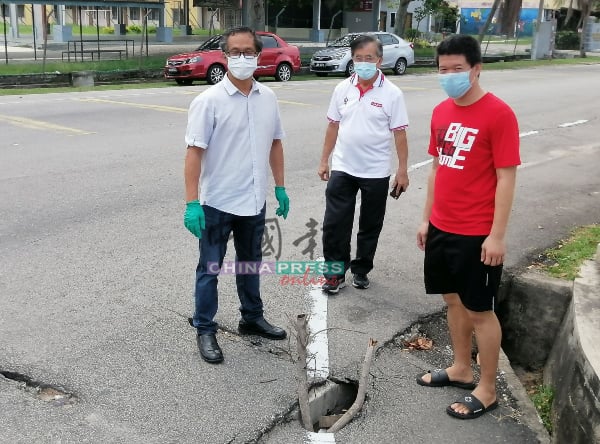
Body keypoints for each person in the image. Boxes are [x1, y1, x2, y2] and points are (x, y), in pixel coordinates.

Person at [415, 34, 520, 419]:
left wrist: (497, 235)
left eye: (457, 69)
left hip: (478, 233)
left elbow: (506, 178)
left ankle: (488, 387)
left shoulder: (498, 114)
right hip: (443, 226)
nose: (450, 76)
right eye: (443, 70)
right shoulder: (441, 112)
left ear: (476, 69)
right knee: (452, 299)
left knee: (480, 310)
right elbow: (437, 168)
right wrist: (427, 218)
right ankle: (461, 367)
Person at [183, 26, 290, 364]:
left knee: (250, 264)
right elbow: (194, 152)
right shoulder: (208, 101)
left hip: (253, 200)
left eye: (248, 52)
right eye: (235, 52)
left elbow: (275, 142)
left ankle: (252, 317)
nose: (242, 58)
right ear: (224, 56)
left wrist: (280, 187)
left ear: (259, 56)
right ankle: (204, 327)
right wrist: (191, 203)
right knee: (210, 268)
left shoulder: (268, 98)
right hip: (217, 202)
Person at [317, 34, 410, 294]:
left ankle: (361, 269)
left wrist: (402, 170)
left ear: (379, 60)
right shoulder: (342, 89)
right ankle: (335, 274)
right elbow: (333, 126)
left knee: (370, 224)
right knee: (335, 224)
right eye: (358, 58)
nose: (363, 63)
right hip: (343, 168)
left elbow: (400, 134)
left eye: (368, 58)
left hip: (376, 171)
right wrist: (324, 160)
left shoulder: (392, 94)